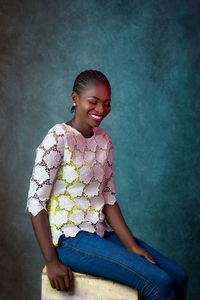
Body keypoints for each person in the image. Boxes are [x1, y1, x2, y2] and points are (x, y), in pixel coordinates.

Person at [26, 69, 188, 299]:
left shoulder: (104, 140)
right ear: (75, 99)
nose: (101, 110)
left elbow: (109, 197)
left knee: (178, 276)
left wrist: (130, 245)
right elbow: (36, 203)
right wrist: (51, 261)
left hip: (99, 232)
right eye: (93, 102)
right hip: (70, 240)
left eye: (107, 103)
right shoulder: (57, 138)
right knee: (158, 283)